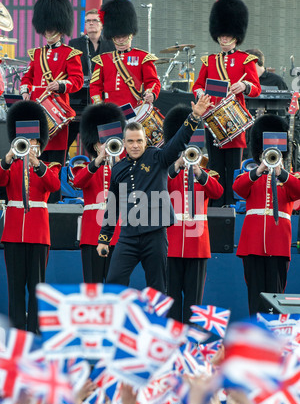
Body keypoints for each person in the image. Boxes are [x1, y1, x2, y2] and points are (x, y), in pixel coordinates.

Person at [96, 94, 212, 293]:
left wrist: (193, 117)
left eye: (139, 141)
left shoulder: (157, 157)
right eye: (131, 141)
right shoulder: (118, 169)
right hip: (128, 236)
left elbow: (177, 142)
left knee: (157, 289)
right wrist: (104, 239)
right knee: (114, 283)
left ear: (145, 141)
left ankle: (157, 323)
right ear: (124, 143)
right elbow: (112, 207)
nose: (135, 145)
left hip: (155, 236)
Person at [192, 0, 261, 207]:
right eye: (221, 35)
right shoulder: (209, 61)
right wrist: (200, 93)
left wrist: (245, 86)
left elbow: (256, 89)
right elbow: (196, 86)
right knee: (214, 164)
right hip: (213, 120)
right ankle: (214, 204)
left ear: (236, 36)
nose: (223, 39)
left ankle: (231, 205)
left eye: (227, 35)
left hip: (234, 123)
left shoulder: (246, 60)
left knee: (232, 166)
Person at [0, 100, 61, 334]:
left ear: (40, 142)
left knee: (37, 287)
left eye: (35, 141)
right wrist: (7, 158)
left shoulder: (49, 166)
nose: (31, 144)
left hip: (38, 233)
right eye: (27, 141)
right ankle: (17, 333)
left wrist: (37, 164)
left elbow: (54, 185)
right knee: (15, 287)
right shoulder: (10, 166)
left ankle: (35, 332)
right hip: (14, 232)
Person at [232, 113, 300, 315]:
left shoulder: (289, 178)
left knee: (276, 298)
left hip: (278, 245)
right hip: (252, 246)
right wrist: (259, 169)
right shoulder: (253, 176)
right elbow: (238, 188)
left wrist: (282, 173)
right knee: (255, 297)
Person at [20, 0, 84, 202]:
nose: (48, 31)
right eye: (46, 27)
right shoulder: (36, 54)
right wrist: (25, 90)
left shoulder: (70, 53)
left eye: (52, 26)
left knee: (53, 163)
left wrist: (61, 85)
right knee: (33, 159)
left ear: (60, 27)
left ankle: (54, 203)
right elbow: (27, 77)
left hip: (56, 114)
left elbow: (77, 81)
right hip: (37, 113)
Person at [163, 104, 224, 324]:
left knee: (194, 303)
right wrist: (177, 164)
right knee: (170, 301)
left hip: (197, 246)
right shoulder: (171, 172)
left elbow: (217, 192)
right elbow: (161, 187)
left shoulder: (206, 174)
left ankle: (192, 346)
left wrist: (198, 171)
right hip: (171, 244)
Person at [71, 102, 126, 283]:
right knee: (92, 287)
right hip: (92, 233)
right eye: (103, 142)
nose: (107, 146)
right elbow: (77, 183)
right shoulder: (85, 167)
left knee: (116, 287)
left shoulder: (123, 166)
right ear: (95, 145)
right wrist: (99, 160)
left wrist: (118, 162)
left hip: (118, 231)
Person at [89, 0, 161, 110]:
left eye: (124, 36)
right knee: (111, 128)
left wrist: (151, 93)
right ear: (112, 36)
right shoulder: (103, 60)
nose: (121, 40)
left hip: (134, 109)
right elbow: (95, 86)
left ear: (131, 35)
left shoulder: (142, 57)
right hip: (110, 111)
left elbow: (152, 81)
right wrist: (98, 103)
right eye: (117, 37)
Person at [67, 9, 115, 151]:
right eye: (88, 21)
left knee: (101, 142)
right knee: (69, 136)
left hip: (101, 100)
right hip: (78, 99)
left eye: (95, 20)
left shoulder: (111, 44)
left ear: (102, 25)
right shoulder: (74, 43)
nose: (91, 23)